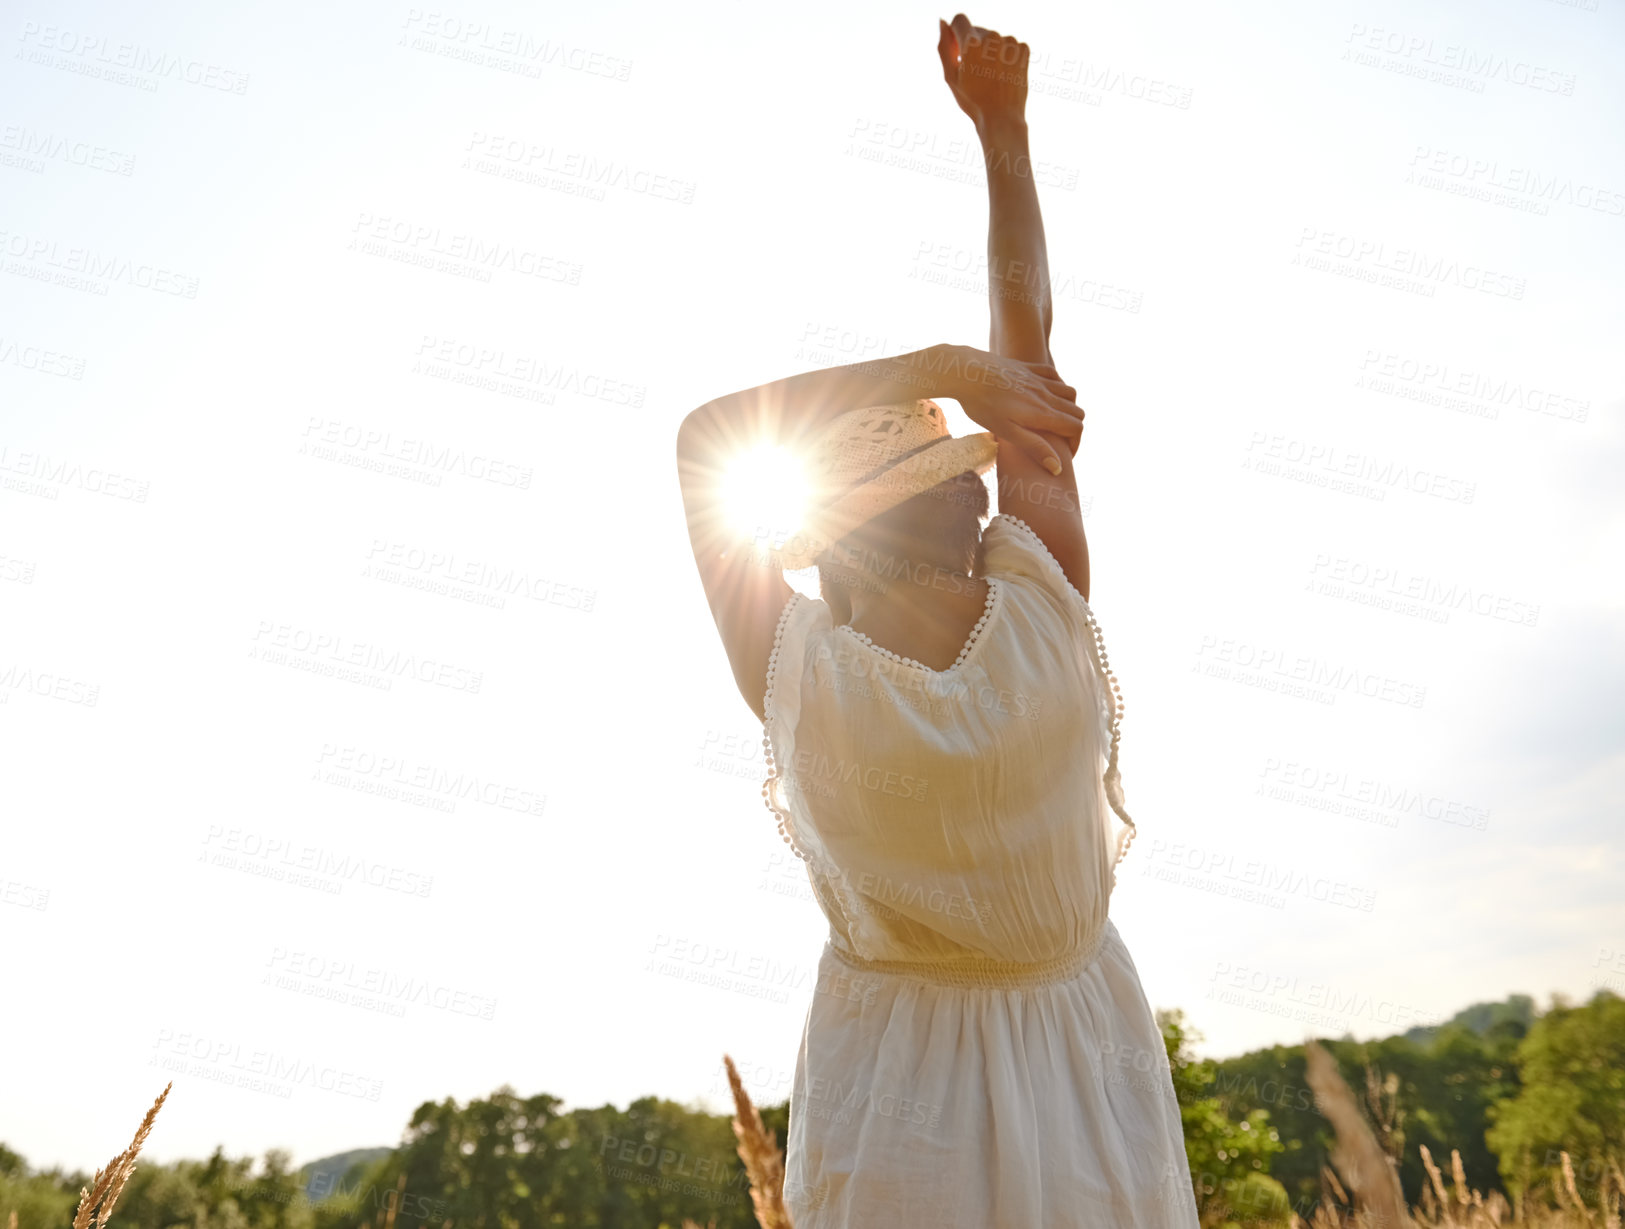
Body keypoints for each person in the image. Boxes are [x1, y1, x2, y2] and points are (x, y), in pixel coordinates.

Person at [675, 15, 1200, 1228]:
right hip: (1081, 1053)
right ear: (901, 517)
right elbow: (1027, 349)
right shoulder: (1039, 599)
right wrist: (1003, 141)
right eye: (945, 473)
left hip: (890, 1082)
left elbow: (704, 437)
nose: (974, 479)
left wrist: (935, 358)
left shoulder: (792, 666)